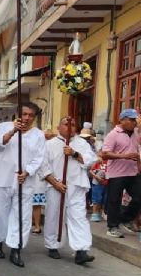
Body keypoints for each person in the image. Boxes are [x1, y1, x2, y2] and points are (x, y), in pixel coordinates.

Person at [0, 102, 45, 267]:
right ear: (18, 114)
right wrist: (13, 131)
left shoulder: (38, 135)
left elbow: (39, 158)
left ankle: (16, 248)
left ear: (34, 118)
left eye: (30, 116)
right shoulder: (2, 127)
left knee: (22, 216)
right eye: (24, 114)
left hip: (23, 180)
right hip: (1, 178)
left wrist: (27, 172)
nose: (26, 118)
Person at [39, 117, 96, 265]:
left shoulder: (82, 143)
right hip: (56, 185)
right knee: (54, 215)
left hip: (77, 185)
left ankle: (81, 251)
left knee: (79, 217)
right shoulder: (49, 145)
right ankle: (53, 245)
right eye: (66, 124)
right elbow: (43, 166)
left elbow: (91, 161)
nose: (70, 127)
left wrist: (75, 154)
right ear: (59, 127)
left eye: (73, 124)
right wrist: (54, 182)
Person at [100, 109, 141, 239]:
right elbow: (104, 154)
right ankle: (112, 227)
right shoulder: (113, 134)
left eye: (135, 120)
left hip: (133, 172)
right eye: (132, 119)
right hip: (116, 173)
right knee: (114, 201)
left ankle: (125, 219)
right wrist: (124, 156)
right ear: (122, 120)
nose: (134, 122)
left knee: (139, 196)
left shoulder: (136, 133)